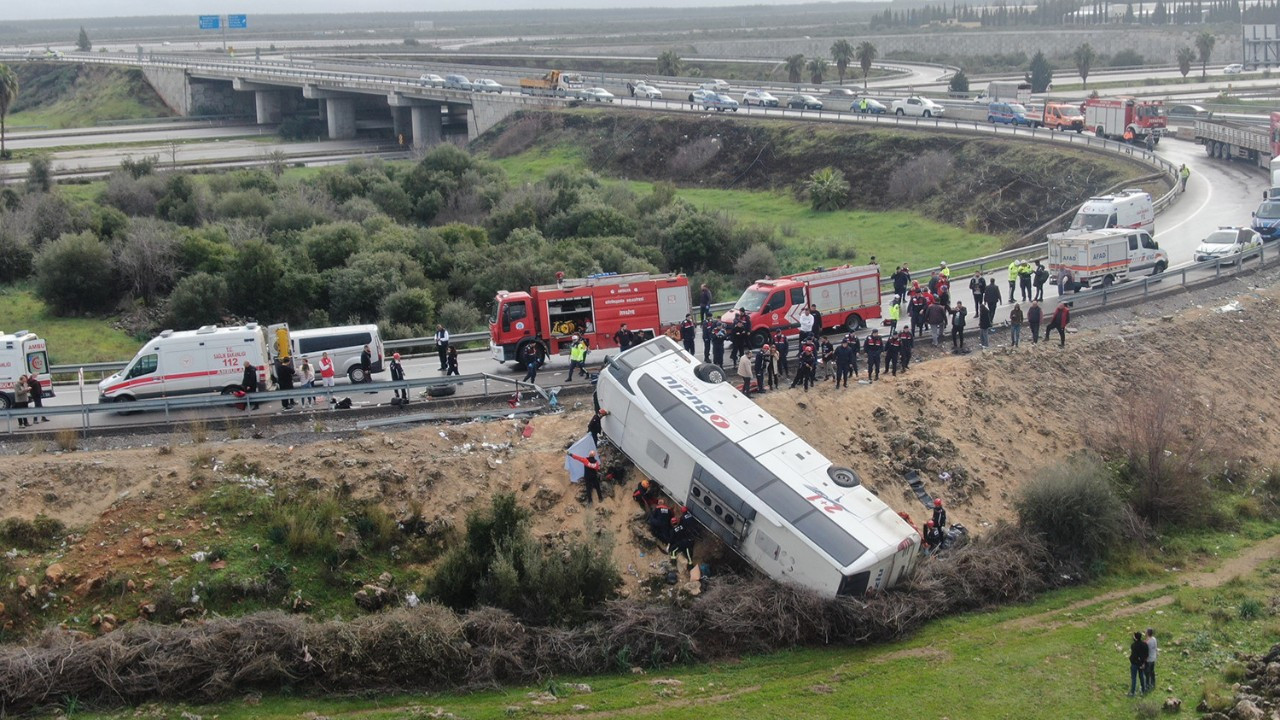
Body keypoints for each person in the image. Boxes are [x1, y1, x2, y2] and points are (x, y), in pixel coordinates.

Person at [1128, 631, 1149, 697]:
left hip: (1134, 663)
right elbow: (1146, 655)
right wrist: (1144, 663)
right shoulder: (1145, 645)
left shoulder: (1133, 645)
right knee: (1142, 677)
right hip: (1141, 663)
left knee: (1134, 678)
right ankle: (1143, 690)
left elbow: (1134, 655)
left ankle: (1132, 692)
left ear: (1135, 638)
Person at [1144, 628, 1158, 695]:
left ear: (1147, 633)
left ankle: (1147, 685)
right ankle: (1153, 683)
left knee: (1147, 673)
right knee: (1152, 671)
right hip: (1153, 658)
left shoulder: (1148, 642)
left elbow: (1146, 651)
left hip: (1148, 659)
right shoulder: (1154, 639)